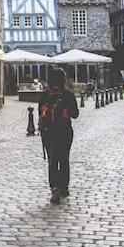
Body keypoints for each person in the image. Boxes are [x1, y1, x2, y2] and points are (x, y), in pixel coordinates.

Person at [38, 67, 79, 204]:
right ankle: (64, 187)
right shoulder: (68, 95)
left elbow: (40, 113)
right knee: (64, 159)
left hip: (48, 131)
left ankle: (54, 188)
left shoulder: (44, 95)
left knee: (52, 160)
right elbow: (75, 114)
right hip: (64, 131)